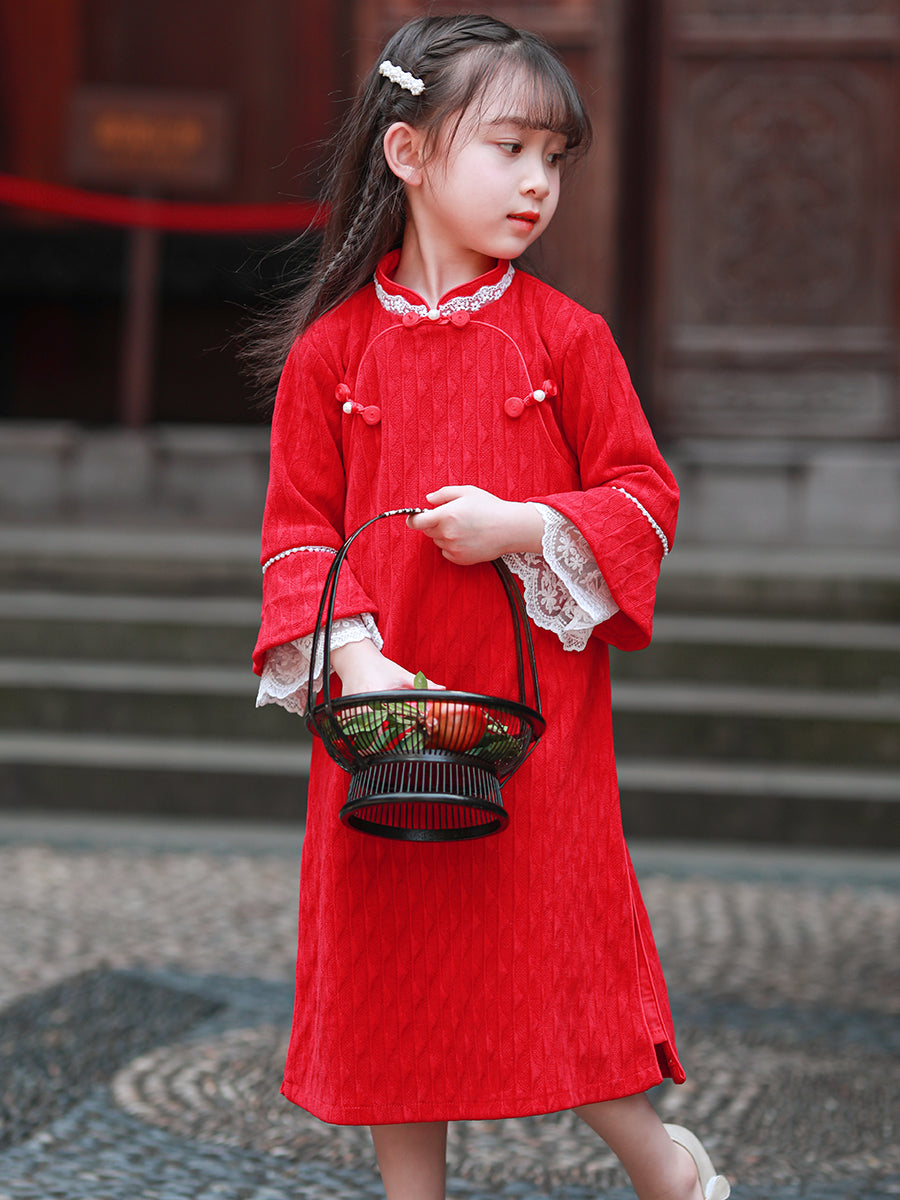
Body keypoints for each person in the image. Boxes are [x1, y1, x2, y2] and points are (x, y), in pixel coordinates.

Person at [252, 13, 730, 1200]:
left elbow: (645, 496)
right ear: (408, 154)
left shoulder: (568, 341)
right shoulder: (332, 354)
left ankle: (663, 1165)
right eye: (509, 148)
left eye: (554, 158)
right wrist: (356, 665)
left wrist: (525, 526)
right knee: (396, 972)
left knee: (546, 957)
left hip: (534, 723)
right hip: (386, 714)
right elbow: (299, 531)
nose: (536, 183)